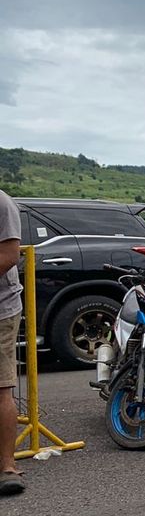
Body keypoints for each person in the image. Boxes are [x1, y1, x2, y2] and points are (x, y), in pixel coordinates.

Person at [0, 189, 23, 495]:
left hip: (0, 310)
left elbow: (9, 254)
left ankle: (7, 465)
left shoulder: (2, 203)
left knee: (1, 387)